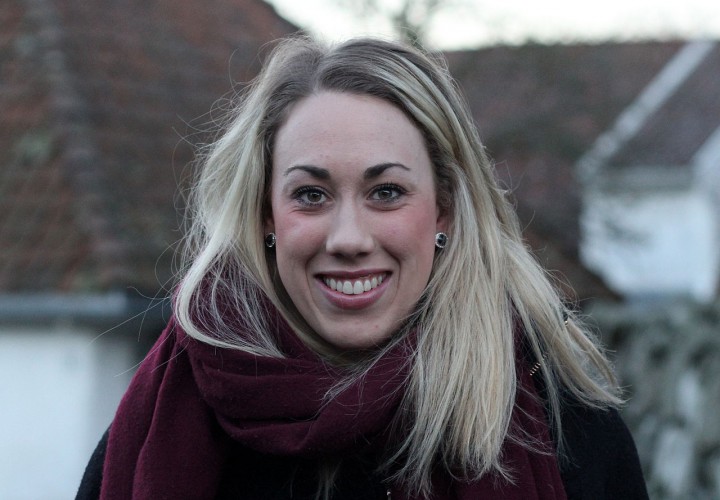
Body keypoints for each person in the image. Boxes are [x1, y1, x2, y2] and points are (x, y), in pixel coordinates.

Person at [77, 36, 648, 500]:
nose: (348, 239)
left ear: (444, 209)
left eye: (387, 192)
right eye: (311, 195)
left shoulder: (566, 432)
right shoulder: (161, 423)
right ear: (265, 214)